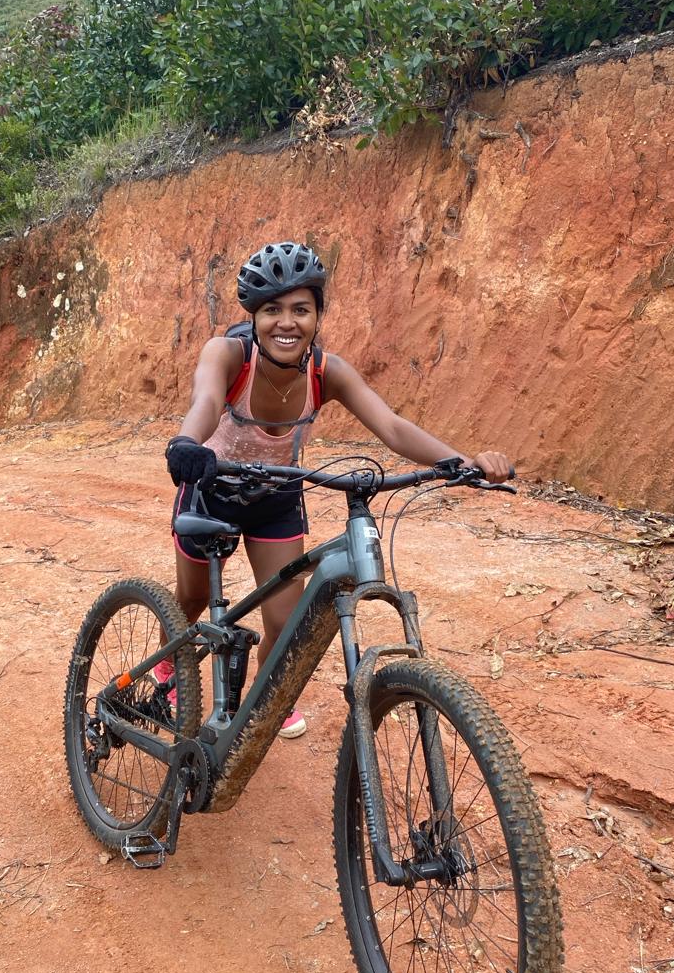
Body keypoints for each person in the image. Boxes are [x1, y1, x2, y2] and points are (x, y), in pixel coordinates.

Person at [162, 240, 512, 737]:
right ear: (254, 317)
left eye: (301, 309)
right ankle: (167, 669)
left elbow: (391, 426)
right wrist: (185, 442)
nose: (287, 322)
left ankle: (266, 696)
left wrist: (462, 462)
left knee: (285, 624)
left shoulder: (327, 371)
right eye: (272, 310)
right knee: (192, 600)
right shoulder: (228, 354)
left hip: (276, 500)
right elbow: (205, 399)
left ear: (318, 315)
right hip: (210, 489)